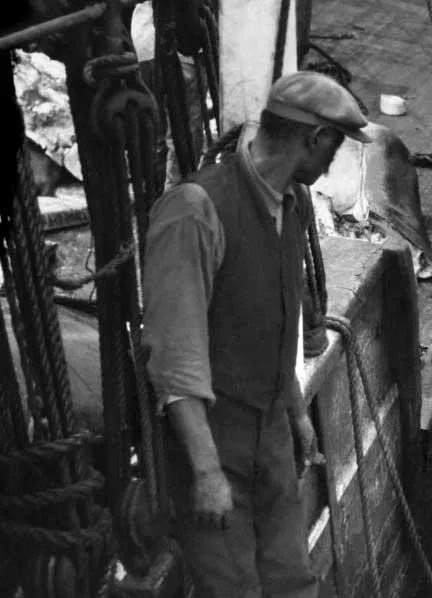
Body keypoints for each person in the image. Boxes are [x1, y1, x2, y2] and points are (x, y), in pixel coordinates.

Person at [142, 70, 372, 597]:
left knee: (293, 581)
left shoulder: (288, 205)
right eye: (334, 145)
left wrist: (294, 413)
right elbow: (174, 357)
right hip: (213, 438)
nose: (333, 160)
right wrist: (205, 473)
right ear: (313, 140)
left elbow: (278, 317)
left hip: (268, 430)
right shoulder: (195, 211)